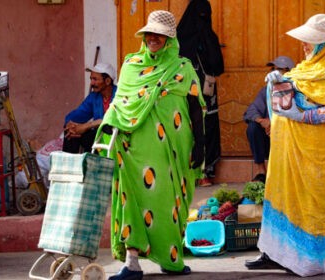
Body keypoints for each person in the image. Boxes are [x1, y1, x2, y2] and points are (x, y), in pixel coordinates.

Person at [244, 14, 325, 277]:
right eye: (305, 41)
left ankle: (307, 261)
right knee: (281, 198)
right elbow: (283, 105)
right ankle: (273, 254)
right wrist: (276, 84)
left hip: (313, 156)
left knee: (309, 205)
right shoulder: (303, 70)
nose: (304, 46)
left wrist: (301, 115)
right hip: (286, 152)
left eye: (310, 41)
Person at [100, 10, 205, 280]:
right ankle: (132, 262)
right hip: (132, 149)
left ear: (170, 39)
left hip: (171, 153)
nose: (153, 39)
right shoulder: (131, 65)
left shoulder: (183, 68)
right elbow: (118, 103)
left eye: (160, 35)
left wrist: (200, 145)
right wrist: (107, 130)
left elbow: (195, 108)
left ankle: (171, 260)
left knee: (168, 204)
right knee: (131, 202)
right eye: (150, 34)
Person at [177, 0, 224, 187]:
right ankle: (189, 171)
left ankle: (206, 172)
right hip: (185, 91)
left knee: (208, 126)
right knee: (188, 126)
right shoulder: (179, 38)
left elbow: (218, 66)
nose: (202, 19)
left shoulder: (209, 37)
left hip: (207, 91)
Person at [243, 56, 295, 183]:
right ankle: (261, 171)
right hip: (269, 139)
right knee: (253, 127)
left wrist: (277, 124)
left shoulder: (297, 89)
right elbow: (250, 111)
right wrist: (263, 121)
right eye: (273, 69)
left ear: (288, 72)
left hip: (290, 139)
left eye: (278, 70)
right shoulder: (267, 90)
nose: (274, 73)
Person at [62, 62, 117, 153]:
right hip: (99, 138)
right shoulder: (94, 97)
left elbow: (113, 119)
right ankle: (69, 165)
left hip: (117, 138)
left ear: (107, 81)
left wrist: (86, 126)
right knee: (71, 132)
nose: (91, 83)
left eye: (95, 79)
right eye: (91, 79)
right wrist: (70, 125)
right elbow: (75, 116)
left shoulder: (119, 95)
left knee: (96, 131)